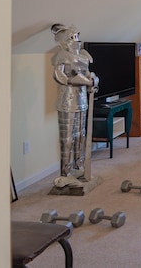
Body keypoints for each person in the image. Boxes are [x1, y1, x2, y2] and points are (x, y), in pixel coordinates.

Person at [50, 24, 98, 181]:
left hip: (82, 98)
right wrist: (80, 80)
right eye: (72, 37)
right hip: (67, 100)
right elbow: (61, 77)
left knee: (81, 135)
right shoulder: (62, 55)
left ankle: (79, 165)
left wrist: (93, 80)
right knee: (67, 138)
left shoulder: (83, 55)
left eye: (77, 36)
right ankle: (65, 172)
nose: (76, 40)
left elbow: (88, 73)